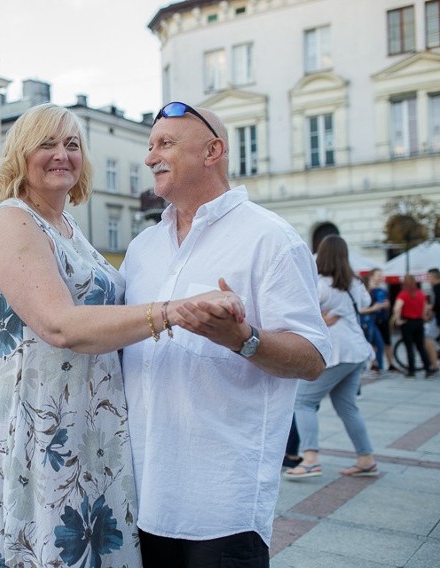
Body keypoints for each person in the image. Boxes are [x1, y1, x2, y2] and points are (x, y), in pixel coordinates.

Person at [0, 103, 244, 567]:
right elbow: (60, 324)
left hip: (90, 425)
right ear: (20, 154)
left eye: (72, 144)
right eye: (47, 143)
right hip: (45, 429)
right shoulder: (13, 220)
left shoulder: (67, 226)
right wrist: (172, 312)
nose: (62, 154)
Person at [121, 101, 330, 566]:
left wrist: (242, 338)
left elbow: (313, 357)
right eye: (150, 145)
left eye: (166, 144)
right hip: (141, 493)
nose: (150, 156)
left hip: (221, 503)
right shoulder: (142, 248)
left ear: (212, 151)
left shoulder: (269, 238)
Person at [284, 235, 378, 480]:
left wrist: (323, 318)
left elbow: (302, 311)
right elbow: (365, 302)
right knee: (347, 406)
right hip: (357, 350)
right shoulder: (353, 282)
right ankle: (366, 458)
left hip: (337, 352)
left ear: (321, 254)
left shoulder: (320, 284)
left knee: (303, 401)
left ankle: (310, 459)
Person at [393, 274, 438, 378]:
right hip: (419, 322)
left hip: (407, 323)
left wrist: (398, 320)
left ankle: (411, 371)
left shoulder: (403, 294)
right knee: (421, 347)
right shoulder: (421, 294)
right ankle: (427, 369)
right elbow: (426, 308)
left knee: (409, 347)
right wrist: (423, 317)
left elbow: (397, 308)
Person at [367, 268, 398, 373]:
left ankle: (390, 364)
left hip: (383, 319)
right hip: (372, 319)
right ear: (372, 276)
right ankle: (374, 364)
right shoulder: (368, 290)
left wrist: (387, 305)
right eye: (378, 275)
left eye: (381, 275)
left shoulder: (383, 289)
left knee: (387, 342)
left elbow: (387, 303)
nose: (380, 277)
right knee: (375, 343)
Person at [357, 274, 385, 373]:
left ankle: (378, 366)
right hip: (365, 321)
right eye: (373, 280)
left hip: (372, 321)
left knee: (379, 344)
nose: (376, 282)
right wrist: (373, 309)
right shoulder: (362, 292)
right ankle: (366, 366)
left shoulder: (375, 292)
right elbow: (359, 310)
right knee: (366, 344)